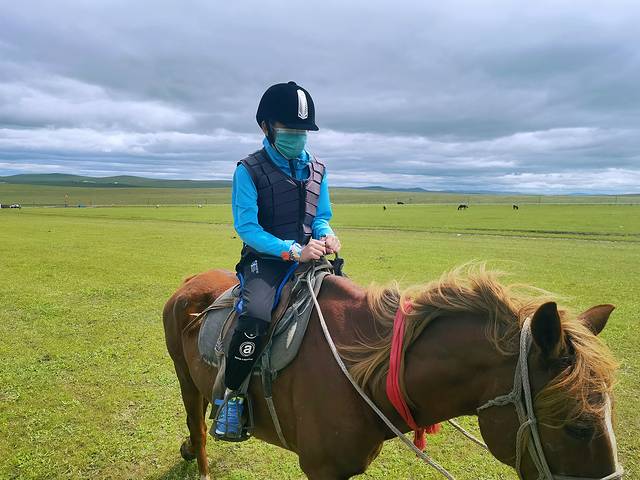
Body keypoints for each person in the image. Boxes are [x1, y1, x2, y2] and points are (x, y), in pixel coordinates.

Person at [214, 81, 341, 438]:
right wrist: (293, 251)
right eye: (289, 129)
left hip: (312, 256)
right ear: (266, 127)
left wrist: (327, 234)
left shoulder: (318, 168)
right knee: (255, 316)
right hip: (265, 262)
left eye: (303, 130)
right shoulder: (248, 170)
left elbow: (320, 216)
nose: (297, 136)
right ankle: (230, 398)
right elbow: (247, 228)